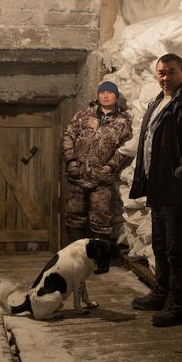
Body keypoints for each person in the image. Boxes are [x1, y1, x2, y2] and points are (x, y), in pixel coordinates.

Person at [129, 53, 182, 326]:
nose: (165, 77)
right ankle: (161, 292)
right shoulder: (159, 101)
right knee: (161, 245)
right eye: (161, 73)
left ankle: (179, 305)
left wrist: (181, 178)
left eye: (171, 72)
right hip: (159, 188)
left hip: (178, 190)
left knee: (180, 250)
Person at [62, 80, 133, 243]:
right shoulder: (83, 115)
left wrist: (111, 165)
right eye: (102, 92)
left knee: (102, 222)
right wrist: (71, 161)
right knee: (74, 219)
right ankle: (76, 254)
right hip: (77, 177)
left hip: (101, 180)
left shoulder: (123, 121)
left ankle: (100, 256)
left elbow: (125, 148)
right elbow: (68, 135)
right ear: (98, 95)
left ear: (116, 96)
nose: (105, 95)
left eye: (110, 92)